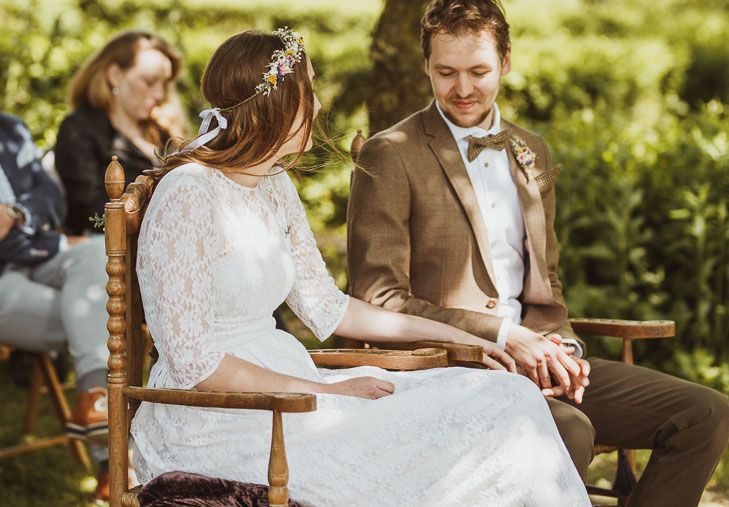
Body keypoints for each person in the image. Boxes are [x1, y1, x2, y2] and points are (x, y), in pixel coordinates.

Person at [129, 28, 590, 506]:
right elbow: (192, 362)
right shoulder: (188, 194)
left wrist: (474, 337)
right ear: (279, 104)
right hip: (216, 416)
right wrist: (325, 392)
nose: (318, 107)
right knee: (436, 440)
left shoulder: (272, 186)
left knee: (506, 397)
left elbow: (330, 309)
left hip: (288, 387)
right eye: (309, 91)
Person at [347, 0, 729, 507]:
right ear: (426, 68)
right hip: (450, 369)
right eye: (446, 72)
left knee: (705, 414)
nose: (462, 88)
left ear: (505, 62)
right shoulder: (392, 154)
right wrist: (504, 337)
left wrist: (563, 351)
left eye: (478, 71)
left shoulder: (532, 149)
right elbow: (377, 298)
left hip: (537, 363)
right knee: (567, 431)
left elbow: (545, 282)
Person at [0, 112, 110, 499]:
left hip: (36, 256)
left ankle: (95, 397)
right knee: (108, 318)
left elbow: (50, 197)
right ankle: (114, 464)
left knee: (97, 252)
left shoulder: (10, 128)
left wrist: (16, 214)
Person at [55, 30, 186, 235]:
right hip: (107, 252)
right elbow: (86, 211)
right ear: (115, 75)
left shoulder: (164, 131)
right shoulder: (79, 129)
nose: (160, 94)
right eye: (150, 82)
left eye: (165, 83)